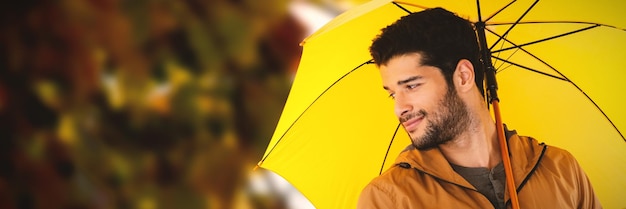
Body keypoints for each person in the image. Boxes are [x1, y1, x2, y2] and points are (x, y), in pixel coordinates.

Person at [357, 7, 601, 209]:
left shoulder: (561, 169)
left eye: (411, 86)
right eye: (392, 94)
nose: (399, 109)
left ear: (463, 76)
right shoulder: (387, 199)